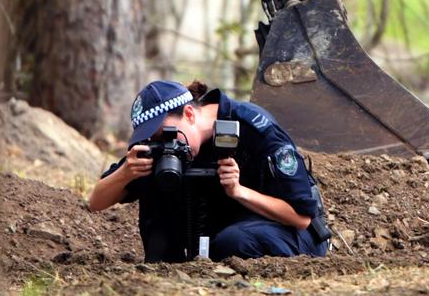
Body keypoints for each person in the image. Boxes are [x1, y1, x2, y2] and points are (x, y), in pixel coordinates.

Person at [88, 80, 329, 262]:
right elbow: (96, 201)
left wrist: (239, 191)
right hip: (219, 237)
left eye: (166, 135)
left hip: (289, 234)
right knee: (157, 175)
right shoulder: (161, 146)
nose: (164, 143)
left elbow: (301, 217)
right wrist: (126, 173)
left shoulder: (253, 128)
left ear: (190, 114)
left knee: (232, 242)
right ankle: (164, 264)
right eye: (152, 139)